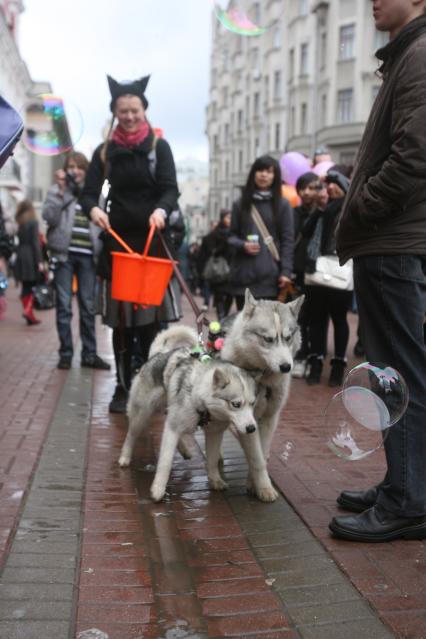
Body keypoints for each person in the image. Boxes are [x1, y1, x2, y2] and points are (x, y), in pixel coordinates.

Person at [330, 0, 426, 542]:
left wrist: (363, 205)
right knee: (396, 374)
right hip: (389, 241)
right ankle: (404, 487)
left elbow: (415, 154)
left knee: (400, 377)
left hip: (391, 241)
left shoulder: (420, 52)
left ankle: (408, 501)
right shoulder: (409, 52)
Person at [80, 73, 180, 414]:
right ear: (115, 113)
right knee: (121, 324)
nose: (129, 116)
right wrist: (93, 209)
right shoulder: (105, 151)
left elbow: (170, 188)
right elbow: (88, 193)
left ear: (144, 110)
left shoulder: (158, 147)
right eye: (123, 111)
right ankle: (122, 389)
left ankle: (152, 387)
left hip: (152, 242)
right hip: (117, 244)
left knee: (152, 324)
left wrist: (162, 209)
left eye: (135, 110)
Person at [42, 151, 110, 371]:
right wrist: (61, 191)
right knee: (63, 305)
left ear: (86, 170)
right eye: (71, 166)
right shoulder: (56, 191)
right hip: (63, 255)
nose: (75, 171)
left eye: (80, 167)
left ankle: (89, 354)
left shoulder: (94, 194)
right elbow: (49, 217)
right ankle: (66, 353)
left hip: (88, 256)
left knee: (88, 306)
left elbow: (102, 224)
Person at [301, 170, 352, 386]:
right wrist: (319, 209)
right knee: (317, 321)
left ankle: (339, 365)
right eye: (327, 184)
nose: (330, 188)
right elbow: (306, 232)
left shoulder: (350, 207)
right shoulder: (321, 209)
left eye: (334, 183)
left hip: (341, 268)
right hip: (316, 271)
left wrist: (329, 209)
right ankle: (316, 363)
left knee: (340, 319)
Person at [227, 155, 294, 308]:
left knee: (266, 327)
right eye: (260, 170)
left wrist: (286, 272)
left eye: (269, 172)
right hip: (243, 276)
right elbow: (230, 236)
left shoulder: (283, 205)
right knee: (244, 326)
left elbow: (287, 240)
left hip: (270, 278)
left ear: (275, 176)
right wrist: (242, 245)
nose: (264, 175)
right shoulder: (240, 204)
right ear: (253, 174)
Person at [292, 172, 328, 378]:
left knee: (319, 317)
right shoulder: (292, 212)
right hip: (299, 270)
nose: (306, 192)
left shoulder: (326, 211)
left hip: (321, 271)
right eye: (302, 188)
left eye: (312, 187)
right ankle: (301, 355)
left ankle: (317, 355)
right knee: (300, 317)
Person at [198, 209, 234, 319]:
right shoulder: (213, 235)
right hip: (218, 272)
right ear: (222, 218)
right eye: (228, 217)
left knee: (230, 297)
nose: (230, 220)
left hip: (232, 272)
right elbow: (205, 254)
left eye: (231, 217)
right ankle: (221, 318)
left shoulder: (235, 234)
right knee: (219, 297)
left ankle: (223, 317)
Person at [13, 200, 44, 326]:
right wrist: (40, 261)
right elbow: (35, 243)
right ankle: (28, 311)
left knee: (25, 285)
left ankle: (29, 313)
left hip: (21, 255)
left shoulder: (20, 222)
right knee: (31, 284)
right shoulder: (33, 222)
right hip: (30, 256)